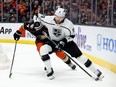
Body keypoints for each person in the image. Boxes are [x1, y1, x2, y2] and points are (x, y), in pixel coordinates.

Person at [36, 7, 104, 80]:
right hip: (53, 41)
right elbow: (36, 16)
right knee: (43, 49)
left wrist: (63, 42)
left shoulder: (69, 24)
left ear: (64, 17)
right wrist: (36, 24)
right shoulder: (48, 19)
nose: (58, 19)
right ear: (54, 15)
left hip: (67, 42)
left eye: (61, 17)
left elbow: (72, 36)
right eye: (57, 17)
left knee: (80, 57)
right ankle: (49, 71)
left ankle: (96, 71)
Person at [13, 14, 76, 80]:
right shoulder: (28, 25)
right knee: (41, 50)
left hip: (50, 39)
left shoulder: (45, 22)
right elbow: (23, 27)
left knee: (58, 52)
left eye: (41, 27)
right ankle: (48, 66)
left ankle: (69, 63)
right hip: (39, 40)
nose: (40, 29)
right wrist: (18, 33)